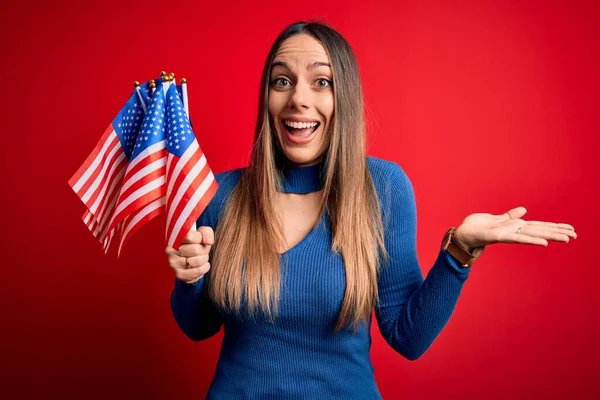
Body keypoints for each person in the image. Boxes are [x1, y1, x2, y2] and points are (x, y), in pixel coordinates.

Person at [165, 21, 577, 399]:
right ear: (267, 98)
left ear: (344, 94)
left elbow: (408, 337)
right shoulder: (219, 194)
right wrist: (190, 278)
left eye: (321, 82)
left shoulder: (383, 189)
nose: (298, 99)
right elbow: (198, 327)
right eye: (282, 81)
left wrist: (459, 253)